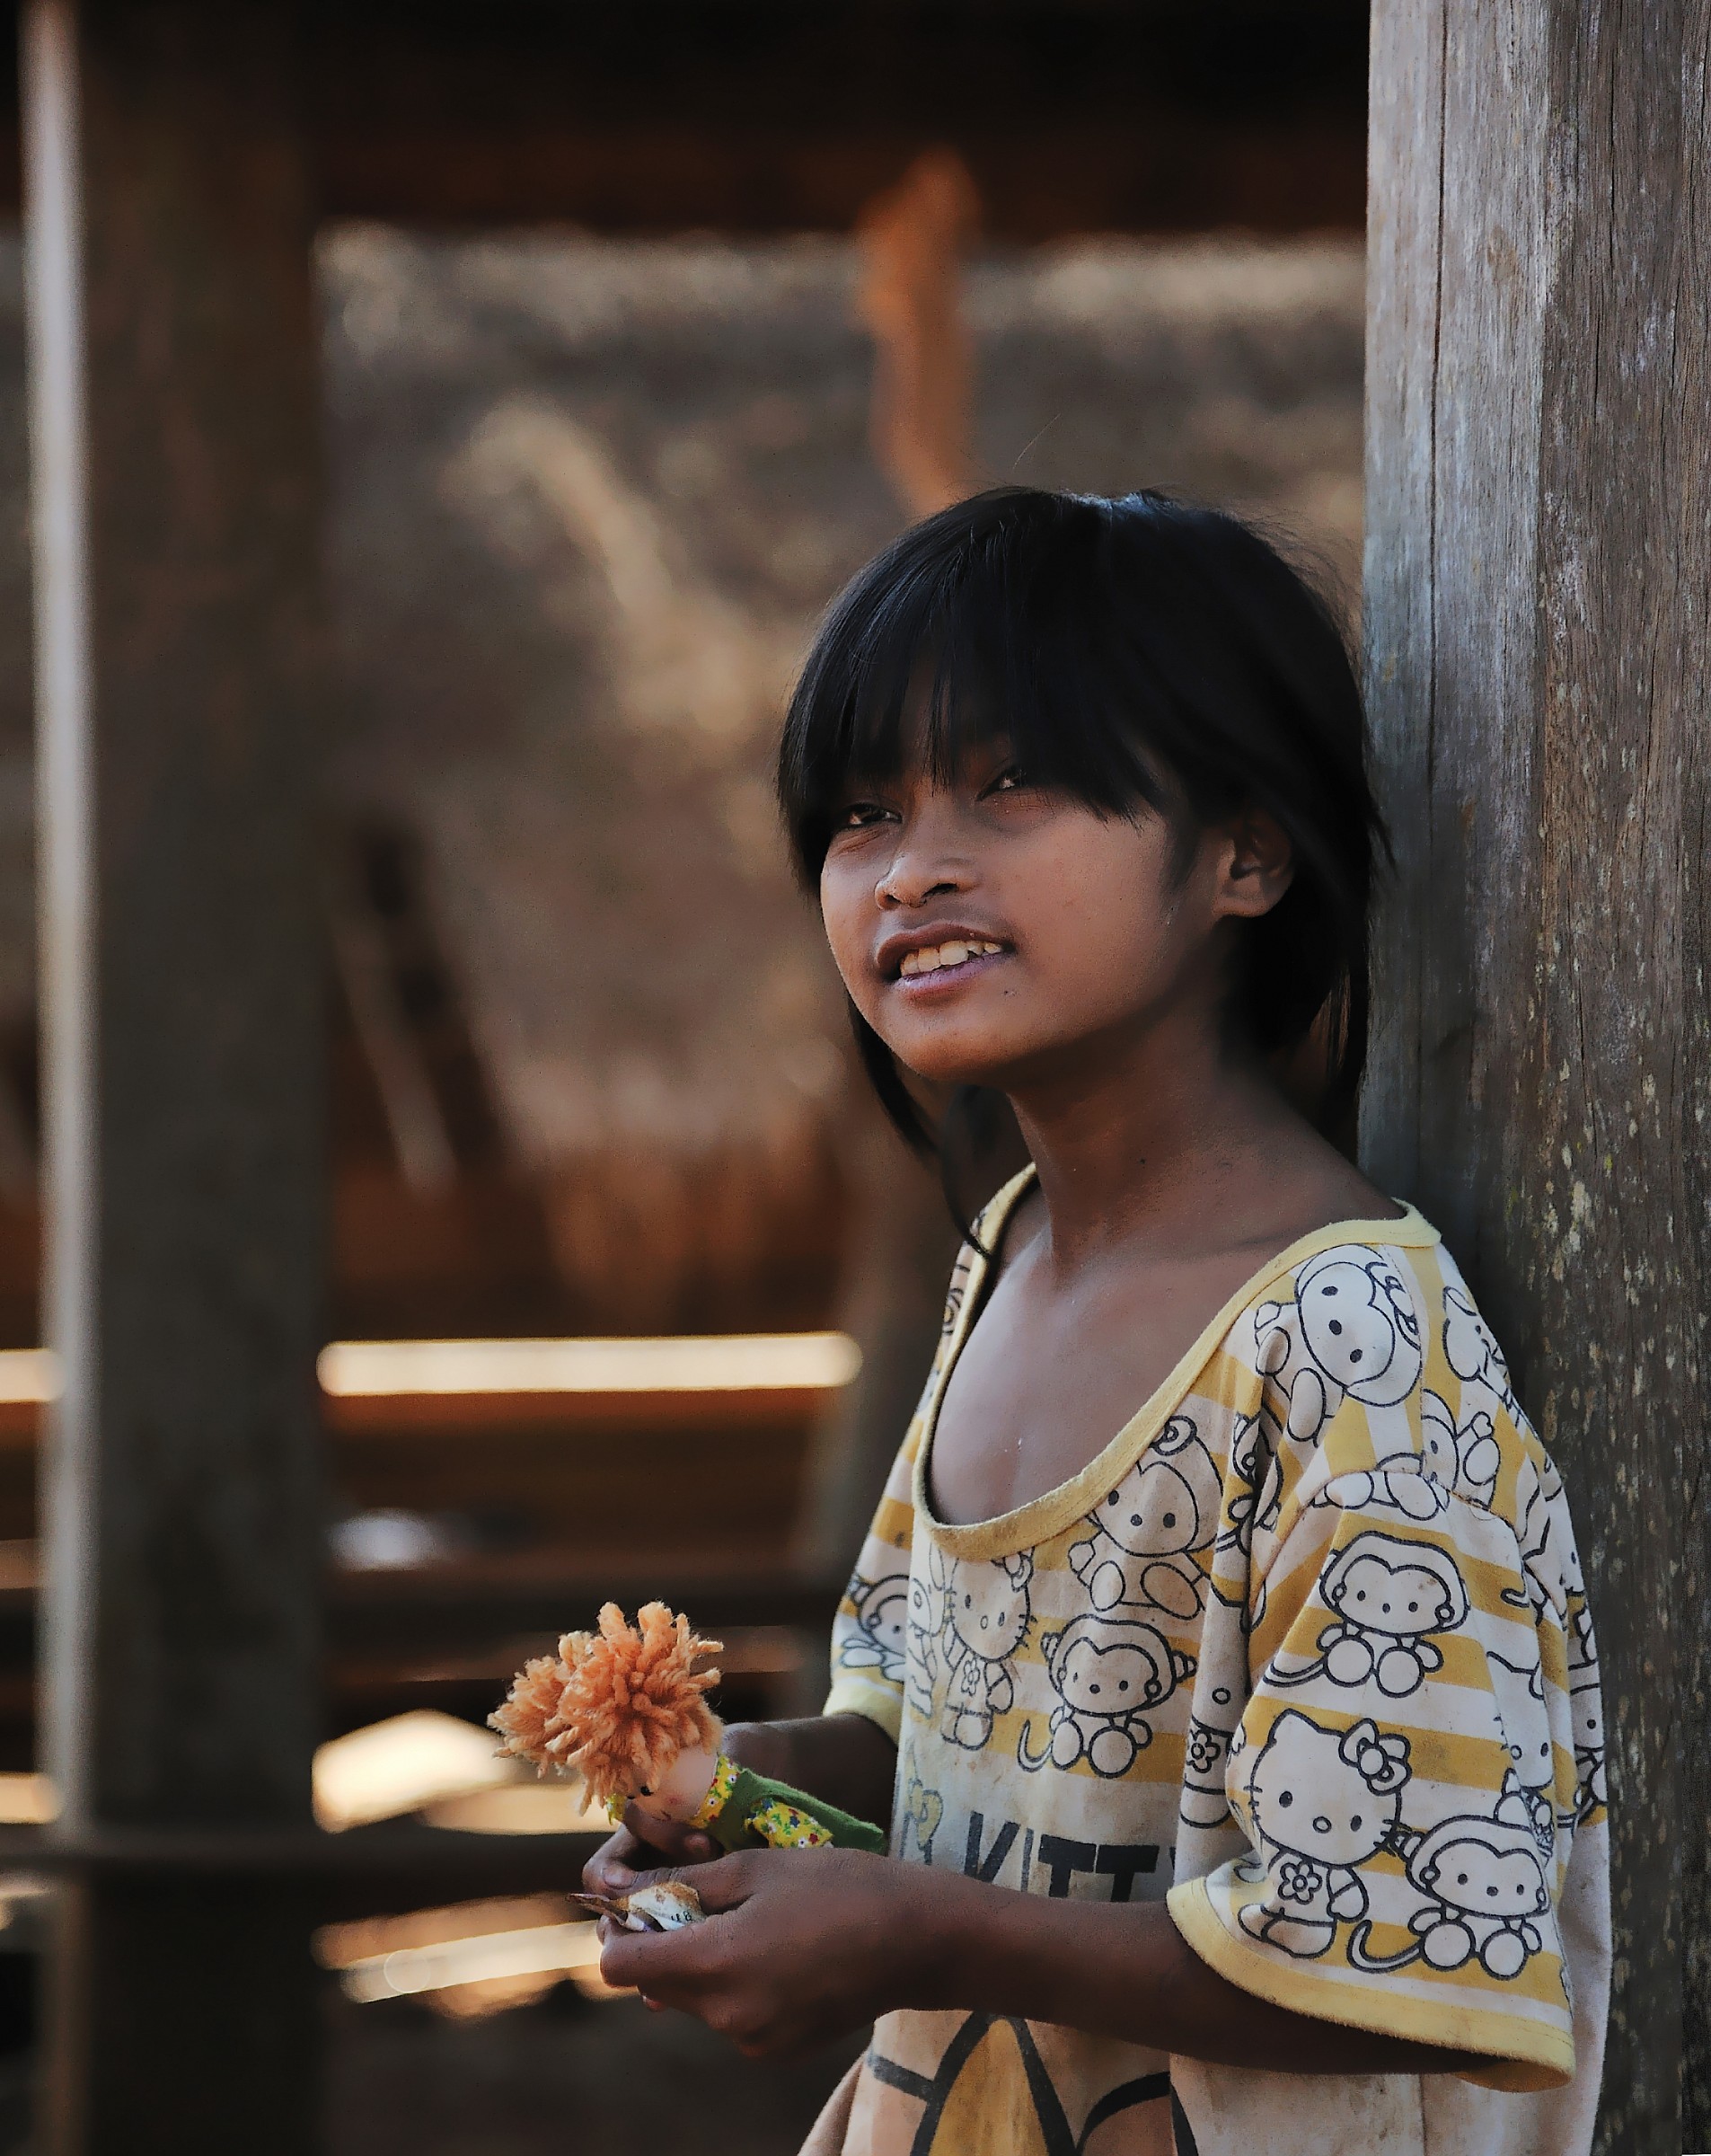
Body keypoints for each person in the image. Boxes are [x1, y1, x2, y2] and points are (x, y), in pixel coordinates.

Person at [586, 489, 1610, 2156]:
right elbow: (950, 1741)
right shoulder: (1006, 1252)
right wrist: (755, 1793)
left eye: (1008, 783)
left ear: (1243, 853)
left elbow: (1407, 1942)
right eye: (859, 813)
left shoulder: (1349, 1344)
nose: (913, 864)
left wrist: (914, 1934)